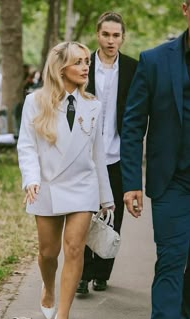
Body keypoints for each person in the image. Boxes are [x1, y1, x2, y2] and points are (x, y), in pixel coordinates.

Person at [17, 41, 114, 319]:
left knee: (74, 250)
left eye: (87, 61)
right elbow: (27, 145)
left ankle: (63, 316)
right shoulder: (35, 101)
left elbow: (98, 153)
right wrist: (30, 179)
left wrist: (105, 196)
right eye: (79, 62)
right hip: (46, 185)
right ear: (61, 69)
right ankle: (48, 287)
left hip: (82, 186)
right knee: (48, 253)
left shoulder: (93, 105)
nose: (87, 67)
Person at [120, 2, 190, 319]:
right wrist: (131, 181)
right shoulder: (154, 61)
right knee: (171, 260)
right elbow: (132, 125)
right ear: (185, 9)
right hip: (172, 180)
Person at [76, 11, 137, 294]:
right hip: (84, 155)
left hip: (118, 154)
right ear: (97, 35)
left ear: (123, 37)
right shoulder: (81, 65)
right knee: (84, 213)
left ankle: (102, 272)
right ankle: (82, 274)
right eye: (106, 34)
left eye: (116, 35)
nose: (111, 40)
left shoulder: (134, 68)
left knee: (113, 216)